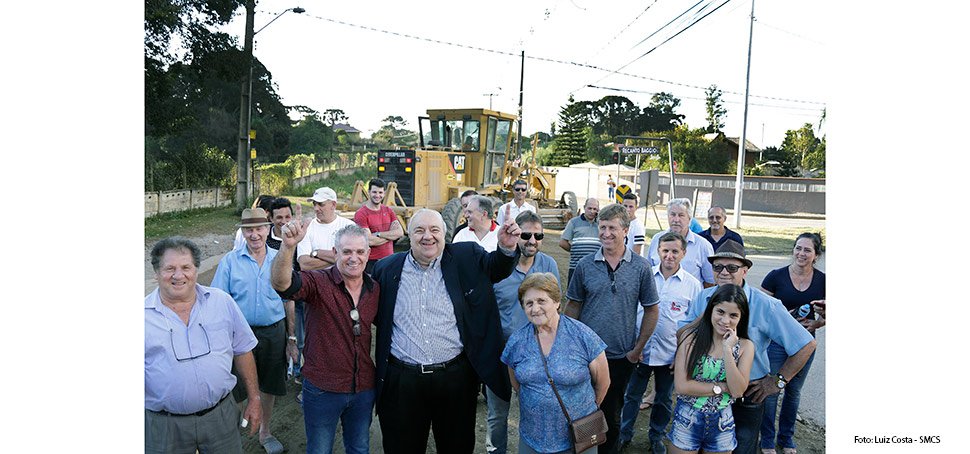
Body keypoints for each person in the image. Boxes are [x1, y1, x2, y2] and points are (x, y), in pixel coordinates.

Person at [371, 206, 522, 453]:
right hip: (403, 380)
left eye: (434, 230)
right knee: (401, 446)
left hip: (455, 378)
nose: (427, 236)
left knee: (456, 445)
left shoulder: (467, 257)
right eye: (419, 230)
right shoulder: (386, 268)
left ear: (445, 234)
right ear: (409, 236)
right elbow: (377, 314)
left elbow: (496, 269)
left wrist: (505, 247)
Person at [679, 240, 816, 454]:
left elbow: (806, 344)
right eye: (718, 267)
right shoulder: (704, 297)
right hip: (704, 390)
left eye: (731, 267)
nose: (724, 272)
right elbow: (685, 333)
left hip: (747, 395)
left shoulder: (766, 305)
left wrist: (778, 381)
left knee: (743, 449)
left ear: (745, 270)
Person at [145, 237, 262, 453]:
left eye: (186, 267)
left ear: (196, 269)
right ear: (156, 272)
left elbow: (243, 349)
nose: (178, 275)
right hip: (164, 427)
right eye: (170, 268)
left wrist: (254, 398)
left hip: (221, 418)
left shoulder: (222, 302)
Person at [271, 223, 380, 454]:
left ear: (368, 254)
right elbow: (282, 284)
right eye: (347, 251)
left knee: (359, 448)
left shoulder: (375, 289)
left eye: (360, 252)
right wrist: (288, 247)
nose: (354, 258)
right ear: (335, 252)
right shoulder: (317, 282)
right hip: (322, 390)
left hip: (362, 388)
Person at [565, 203, 661, 454]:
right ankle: (585, 450)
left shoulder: (640, 267)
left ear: (626, 230)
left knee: (612, 416)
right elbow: (573, 305)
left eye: (612, 228)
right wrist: (567, 344)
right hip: (585, 356)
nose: (606, 233)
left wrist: (637, 349)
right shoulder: (585, 265)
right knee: (584, 413)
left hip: (620, 357)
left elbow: (652, 309)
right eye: (602, 227)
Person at [211, 208, 297, 454]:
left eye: (259, 228)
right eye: (248, 229)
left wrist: (291, 338)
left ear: (268, 229)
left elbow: (289, 300)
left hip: (273, 331)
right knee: (236, 387)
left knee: (269, 384)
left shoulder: (280, 259)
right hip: (238, 335)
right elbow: (219, 302)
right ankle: (233, 433)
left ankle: (265, 431)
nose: (254, 234)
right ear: (243, 232)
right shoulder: (230, 261)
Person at [502, 272, 610, 454]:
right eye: (529, 303)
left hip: (578, 436)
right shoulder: (517, 341)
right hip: (532, 437)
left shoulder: (582, 336)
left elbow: (603, 382)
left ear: (557, 302)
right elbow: (516, 382)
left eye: (541, 301)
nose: (535, 309)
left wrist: (583, 410)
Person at [619, 232, 703, 453]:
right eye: (665, 250)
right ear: (658, 251)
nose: (669, 256)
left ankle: (656, 435)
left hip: (670, 355)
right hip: (641, 350)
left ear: (683, 253)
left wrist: (683, 355)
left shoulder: (693, 286)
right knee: (632, 395)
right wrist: (633, 347)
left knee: (664, 399)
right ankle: (624, 433)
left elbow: (695, 324)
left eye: (675, 251)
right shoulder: (645, 276)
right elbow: (632, 310)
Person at [487, 211, 562, 454]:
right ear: (515, 234)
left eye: (538, 235)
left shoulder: (548, 265)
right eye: (526, 234)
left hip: (539, 354)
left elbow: (555, 305)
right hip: (501, 352)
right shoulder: (497, 266)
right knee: (498, 413)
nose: (532, 240)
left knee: (536, 410)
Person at [668, 284, 755, 454]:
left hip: (722, 422)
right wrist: (721, 388)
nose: (725, 321)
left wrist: (727, 350)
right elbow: (682, 386)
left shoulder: (746, 346)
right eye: (720, 312)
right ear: (711, 310)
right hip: (688, 418)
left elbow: (737, 391)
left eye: (733, 315)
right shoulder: (690, 339)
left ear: (741, 318)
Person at [758, 233, 825, 454]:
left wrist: (817, 324)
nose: (801, 254)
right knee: (771, 389)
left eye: (807, 250)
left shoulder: (824, 281)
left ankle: (786, 438)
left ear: (816, 255)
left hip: (805, 345)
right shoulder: (775, 276)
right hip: (776, 343)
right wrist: (781, 318)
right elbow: (759, 312)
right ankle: (767, 439)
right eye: (798, 248)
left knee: (793, 392)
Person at [267, 198, 307, 391]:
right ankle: (280, 372)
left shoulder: (298, 236)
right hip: (272, 297)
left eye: (287, 216)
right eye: (279, 217)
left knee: (298, 336)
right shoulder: (266, 238)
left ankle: (298, 370)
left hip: (295, 295)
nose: (284, 221)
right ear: (271, 218)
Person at [646, 198, 715, 287]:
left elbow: (710, 282)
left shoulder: (702, 245)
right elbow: (648, 273)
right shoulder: (656, 239)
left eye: (681, 215)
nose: (676, 219)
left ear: (689, 219)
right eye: (672, 215)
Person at [298, 187, 357, 271]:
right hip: (315, 281)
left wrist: (316, 253)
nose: (316, 208)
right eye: (314, 204)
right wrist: (340, 259)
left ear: (333, 205)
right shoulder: (307, 227)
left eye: (321, 204)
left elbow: (355, 257)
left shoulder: (349, 226)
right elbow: (304, 264)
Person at [354, 178, 405, 274]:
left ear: (384, 193)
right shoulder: (361, 214)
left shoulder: (388, 211)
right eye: (374, 192)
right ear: (369, 192)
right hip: (371, 262)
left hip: (390, 260)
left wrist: (378, 234)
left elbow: (399, 232)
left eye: (380, 192)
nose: (377, 195)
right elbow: (369, 241)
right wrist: (390, 237)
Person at [560, 197, 601, 285]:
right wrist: (576, 249)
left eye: (595, 209)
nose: (592, 211)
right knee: (574, 295)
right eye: (589, 208)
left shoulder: (601, 225)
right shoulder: (574, 222)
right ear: (584, 207)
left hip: (595, 268)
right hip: (576, 266)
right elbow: (563, 243)